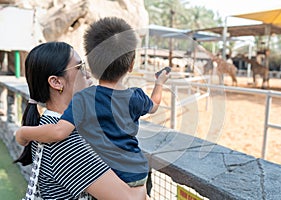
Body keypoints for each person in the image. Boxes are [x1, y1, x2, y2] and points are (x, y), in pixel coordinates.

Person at [16, 17, 169, 187]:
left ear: (93, 64)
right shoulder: (136, 96)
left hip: (116, 175)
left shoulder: (85, 98)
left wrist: (23, 133)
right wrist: (159, 83)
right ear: (131, 65)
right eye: (79, 67)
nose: (85, 72)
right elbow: (154, 105)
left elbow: (59, 131)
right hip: (138, 170)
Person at [14, 41, 147, 199]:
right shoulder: (65, 143)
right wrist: (140, 174)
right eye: (79, 67)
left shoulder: (46, 126)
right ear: (56, 82)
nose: (88, 74)